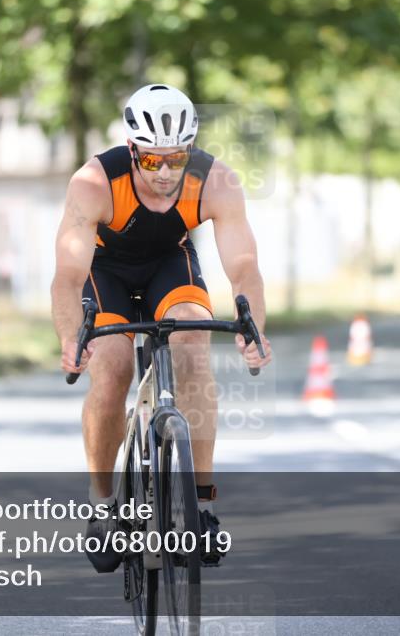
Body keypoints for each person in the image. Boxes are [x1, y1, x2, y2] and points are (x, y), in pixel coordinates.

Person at [50, 83, 272, 572]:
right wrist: (71, 336)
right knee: (110, 369)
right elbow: (67, 277)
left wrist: (251, 326)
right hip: (104, 270)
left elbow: (244, 266)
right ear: (132, 151)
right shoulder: (93, 183)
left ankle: (203, 508)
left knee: (192, 341)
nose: (167, 172)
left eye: (177, 158)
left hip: (169, 264)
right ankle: (104, 505)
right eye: (153, 161)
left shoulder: (217, 181)